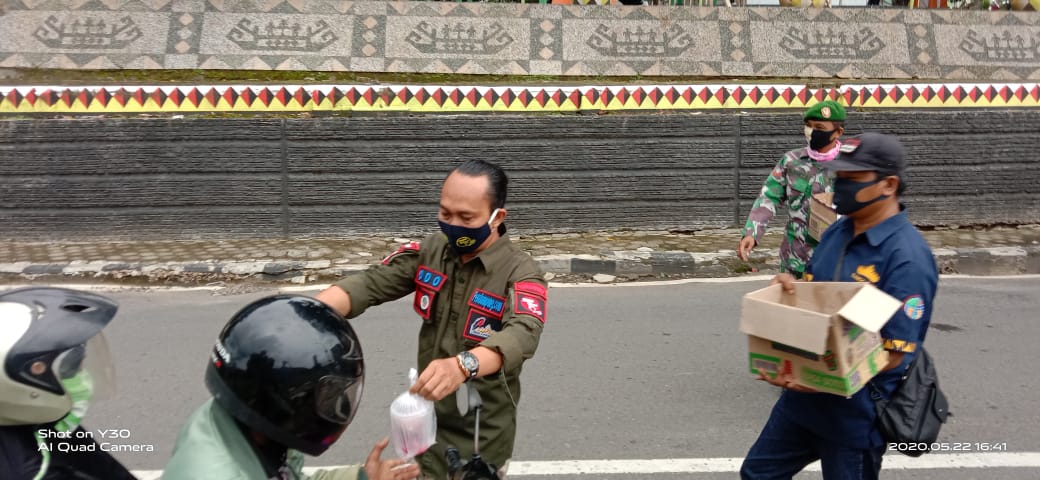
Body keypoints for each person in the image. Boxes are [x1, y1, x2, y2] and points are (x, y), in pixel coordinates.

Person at [316, 159, 547, 479]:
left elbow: (523, 332)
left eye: (467, 217)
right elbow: (370, 284)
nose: (453, 224)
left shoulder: (520, 272)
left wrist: (463, 364)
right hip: (424, 427)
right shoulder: (432, 251)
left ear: (497, 218)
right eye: (445, 213)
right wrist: (307, 311)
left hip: (481, 440)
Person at [740, 133, 938, 479]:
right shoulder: (836, 232)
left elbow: (895, 352)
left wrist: (824, 380)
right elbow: (820, 298)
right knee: (757, 474)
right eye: (839, 177)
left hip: (854, 418)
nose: (840, 186)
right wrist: (791, 290)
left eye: (852, 179)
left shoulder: (907, 258)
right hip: (800, 405)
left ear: (888, 184)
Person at [163, 295, 420, 480]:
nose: (336, 405)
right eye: (328, 396)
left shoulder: (244, 425)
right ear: (285, 397)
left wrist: (363, 478)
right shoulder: (218, 472)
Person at [0, 287, 136, 480]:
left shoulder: (42, 420)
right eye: (71, 369)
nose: (82, 375)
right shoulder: (34, 473)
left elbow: (105, 468)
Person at [738, 100, 846, 279]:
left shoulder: (850, 167)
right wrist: (752, 233)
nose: (811, 132)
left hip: (833, 264)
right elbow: (769, 197)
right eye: (808, 126)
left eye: (819, 127)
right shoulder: (791, 161)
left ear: (838, 133)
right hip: (794, 261)